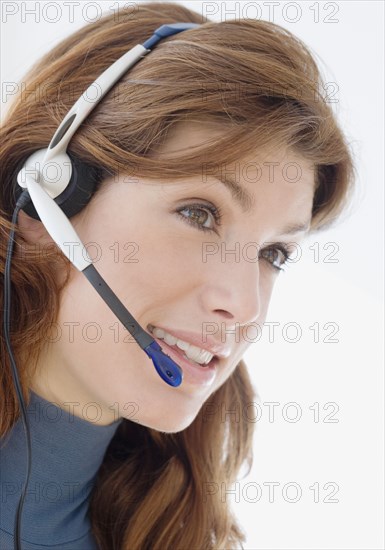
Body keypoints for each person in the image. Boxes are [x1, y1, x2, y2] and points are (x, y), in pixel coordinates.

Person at [0, 2, 355, 549]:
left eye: (274, 253)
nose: (243, 305)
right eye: (199, 214)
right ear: (44, 202)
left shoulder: (174, 531)